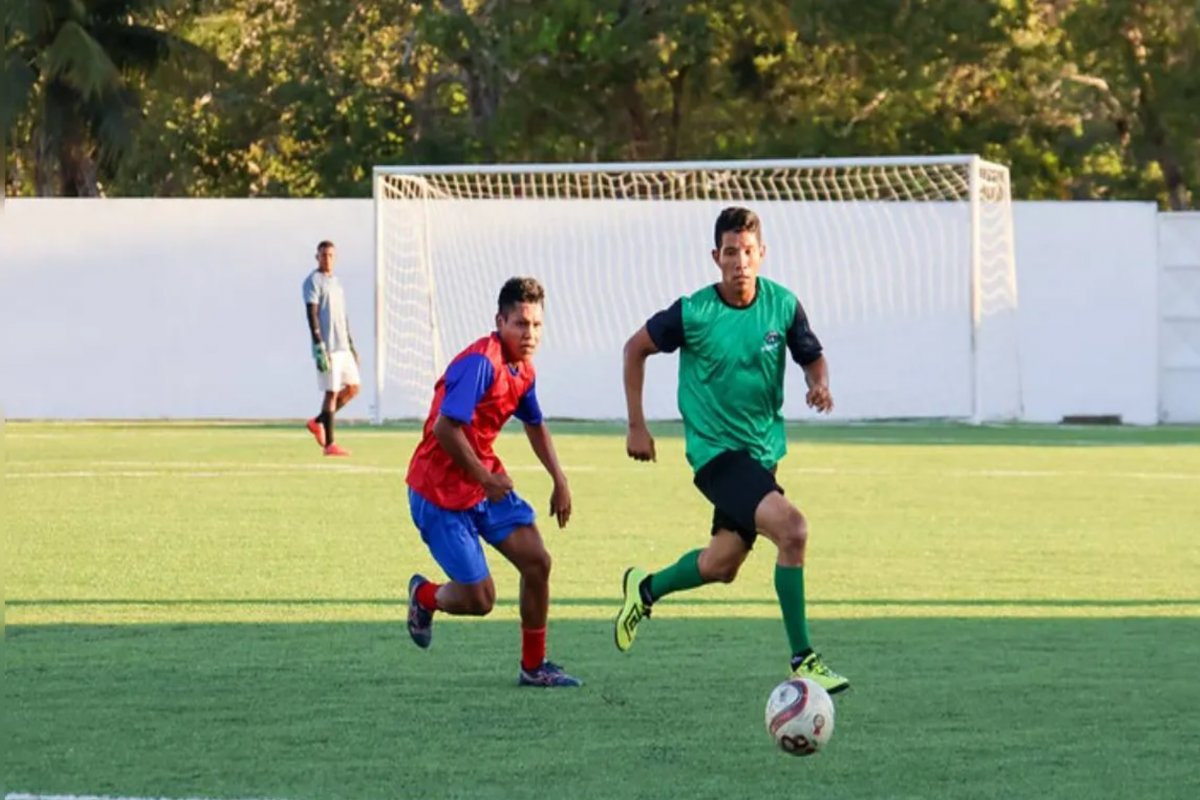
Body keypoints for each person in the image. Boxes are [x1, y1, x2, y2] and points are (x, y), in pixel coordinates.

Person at [613, 206, 849, 694]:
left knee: (721, 565)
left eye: (747, 251)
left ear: (761, 254)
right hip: (716, 455)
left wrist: (819, 383)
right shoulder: (693, 312)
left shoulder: (783, 305)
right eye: (729, 252)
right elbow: (634, 348)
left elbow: (812, 356)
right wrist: (637, 425)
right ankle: (804, 659)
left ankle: (645, 588)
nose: (739, 261)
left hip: (761, 455)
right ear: (715, 257)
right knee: (793, 529)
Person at [405, 277, 581, 688]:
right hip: (438, 492)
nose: (530, 334)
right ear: (500, 322)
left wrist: (559, 478)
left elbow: (535, 424)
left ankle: (533, 667)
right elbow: (445, 428)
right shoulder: (481, 363)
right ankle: (424, 596)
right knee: (480, 600)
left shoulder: (523, 370)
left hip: (481, 482)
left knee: (537, 562)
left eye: (536, 325)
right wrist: (485, 478)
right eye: (520, 323)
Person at [302, 240, 359, 457]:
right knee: (332, 392)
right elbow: (312, 314)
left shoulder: (337, 283)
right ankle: (330, 444)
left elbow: (343, 316)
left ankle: (318, 421)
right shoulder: (312, 281)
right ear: (317, 257)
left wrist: (352, 346)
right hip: (328, 347)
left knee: (353, 388)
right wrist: (319, 344)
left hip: (343, 345)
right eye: (323, 255)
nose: (327, 259)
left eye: (330, 255)